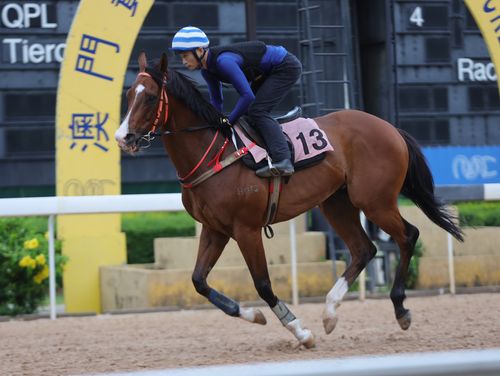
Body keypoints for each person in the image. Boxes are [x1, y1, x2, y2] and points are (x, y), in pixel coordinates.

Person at [170, 26, 302, 177]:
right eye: (181, 57)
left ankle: (283, 160)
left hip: (284, 67)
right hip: (265, 73)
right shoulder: (207, 71)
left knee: (257, 111)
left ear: (200, 51)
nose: (183, 61)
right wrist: (214, 122)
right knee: (247, 115)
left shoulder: (224, 62)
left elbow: (248, 96)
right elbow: (217, 100)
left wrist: (228, 122)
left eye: (186, 56)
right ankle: (265, 156)